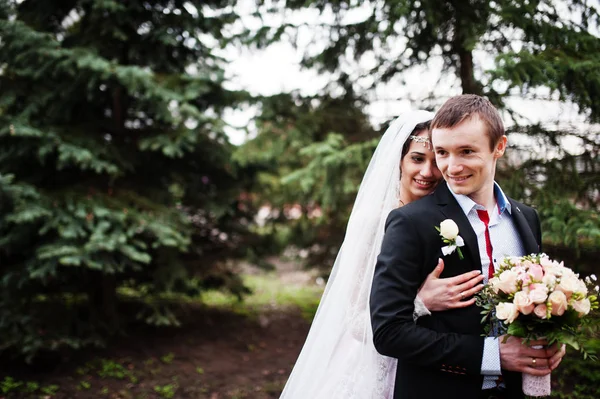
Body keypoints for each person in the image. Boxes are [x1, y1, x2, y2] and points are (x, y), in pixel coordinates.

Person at [370, 95, 566, 399]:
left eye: (466, 152)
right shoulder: (410, 222)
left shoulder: (526, 218)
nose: (452, 166)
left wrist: (551, 337)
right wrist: (493, 356)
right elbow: (388, 333)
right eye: (442, 153)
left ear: (499, 146)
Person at [280, 110, 484, 399]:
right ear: (399, 160)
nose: (427, 172)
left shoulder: (452, 221)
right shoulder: (373, 221)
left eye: (435, 161)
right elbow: (354, 322)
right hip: (375, 365)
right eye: (416, 158)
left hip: (433, 365)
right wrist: (421, 302)